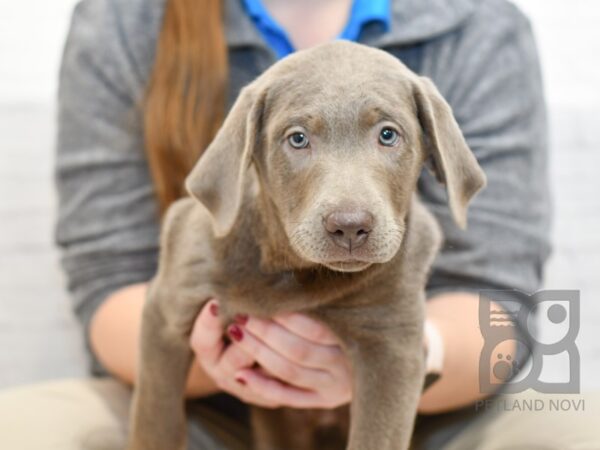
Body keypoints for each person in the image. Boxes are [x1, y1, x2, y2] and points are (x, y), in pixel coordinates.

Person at [0, 0, 598, 449]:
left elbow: (503, 308)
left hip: (429, 413)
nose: (349, 215)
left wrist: (403, 356)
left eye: (388, 134)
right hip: (217, 418)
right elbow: (108, 282)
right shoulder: (126, 18)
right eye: (297, 139)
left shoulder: (476, 23)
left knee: (577, 428)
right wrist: (233, 363)